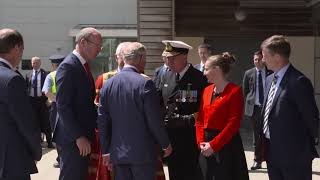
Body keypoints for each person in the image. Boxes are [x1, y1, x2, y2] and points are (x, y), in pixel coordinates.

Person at [97, 42, 172, 180]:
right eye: (145, 58)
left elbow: (103, 121)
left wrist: (106, 151)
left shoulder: (108, 85)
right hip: (142, 155)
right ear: (140, 58)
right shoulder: (145, 83)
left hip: (118, 154)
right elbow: (153, 119)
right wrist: (165, 143)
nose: (145, 61)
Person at [259, 35, 319, 180]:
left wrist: (306, 150)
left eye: (265, 56)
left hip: (294, 156)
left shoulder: (298, 81)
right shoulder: (268, 79)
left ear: (277, 57)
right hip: (272, 151)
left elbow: (311, 118)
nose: (263, 60)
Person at [53, 27, 102, 180]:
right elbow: (63, 106)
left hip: (81, 138)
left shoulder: (81, 66)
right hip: (73, 140)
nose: (100, 50)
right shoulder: (68, 66)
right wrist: (78, 136)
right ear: (83, 42)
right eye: (97, 45)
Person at [195, 52, 249, 180]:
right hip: (205, 147)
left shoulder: (234, 92)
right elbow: (200, 120)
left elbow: (233, 123)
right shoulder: (207, 90)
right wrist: (201, 142)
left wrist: (213, 145)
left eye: (206, 69)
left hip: (226, 146)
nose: (204, 72)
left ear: (217, 69)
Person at [159, 40, 208, 180]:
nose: (168, 62)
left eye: (172, 58)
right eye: (167, 58)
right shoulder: (166, 76)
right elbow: (161, 103)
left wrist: (188, 119)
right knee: (174, 174)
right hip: (171, 138)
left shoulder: (199, 79)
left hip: (190, 138)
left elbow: (205, 109)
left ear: (184, 57)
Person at [0, 28, 42, 180]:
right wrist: (36, 151)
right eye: (22, 49)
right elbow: (26, 123)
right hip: (11, 160)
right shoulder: (12, 79)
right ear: (16, 47)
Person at [90, 42, 129, 180]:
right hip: (109, 136)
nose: (124, 59)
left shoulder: (142, 79)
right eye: (121, 56)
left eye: (127, 56)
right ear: (116, 57)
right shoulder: (104, 79)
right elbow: (97, 111)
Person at [242, 50, 272, 170]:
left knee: (270, 134)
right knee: (257, 136)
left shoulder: (271, 72)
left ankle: (271, 159)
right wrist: (250, 102)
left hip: (269, 108)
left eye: (259, 59)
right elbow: (245, 91)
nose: (257, 62)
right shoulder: (249, 73)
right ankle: (257, 160)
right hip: (255, 109)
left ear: (263, 60)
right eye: (255, 59)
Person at [41, 54, 65, 168]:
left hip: (56, 108)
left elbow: (46, 92)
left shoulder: (51, 75)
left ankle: (60, 158)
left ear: (54, 65)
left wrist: (56, 100)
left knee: (56, 133)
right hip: (70, 107)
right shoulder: (71, 73)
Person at [25, 56, 53, 148]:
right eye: (33, 63)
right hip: (32, 101)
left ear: (40, 63)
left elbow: (50, 88)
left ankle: (49, 142)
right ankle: (37, 142)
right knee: (34, 123)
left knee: (46, 122)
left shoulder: (46, 74)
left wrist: (49, 100)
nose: (35, 64)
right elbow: (26, 88)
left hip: (42, 101)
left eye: (36, 63)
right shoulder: (28, 75)